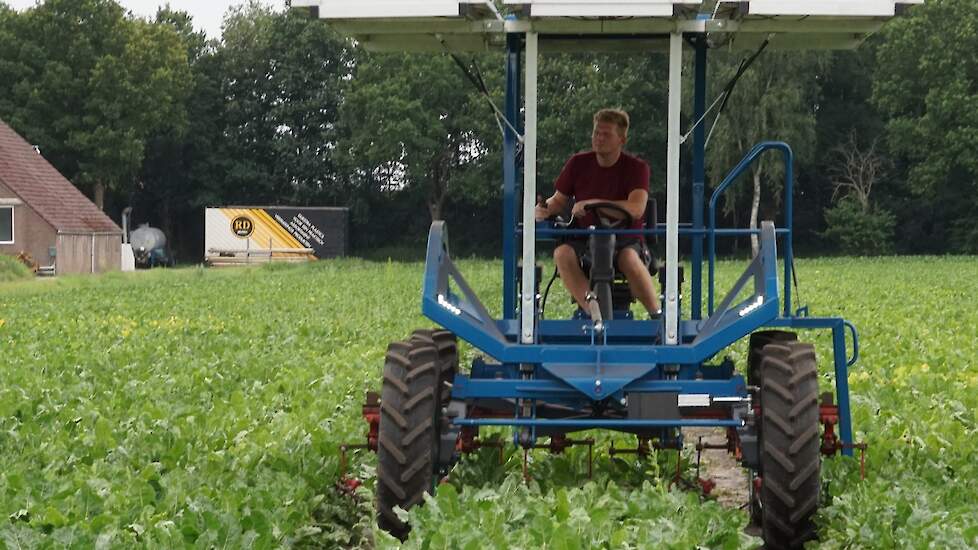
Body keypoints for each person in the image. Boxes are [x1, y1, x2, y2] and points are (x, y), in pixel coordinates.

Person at [535, 108, 661, 317]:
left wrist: (594, 203)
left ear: (622, 139)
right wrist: (542, 210)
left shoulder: (637, 168)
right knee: (562, 253)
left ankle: (658, 316)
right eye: (596, 133)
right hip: (586, 239)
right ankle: (594, 311)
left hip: (626, 240)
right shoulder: (577, 163)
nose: (599, 138)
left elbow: (637, 209)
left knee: (628, 258)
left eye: (606, 134)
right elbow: (558, 201)